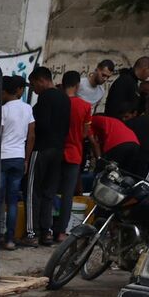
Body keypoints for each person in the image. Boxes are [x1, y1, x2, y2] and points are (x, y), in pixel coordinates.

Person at [29, 67, 72, 246]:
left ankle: (32, 233)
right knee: (49, 192)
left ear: (41, 80)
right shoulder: (65, 98)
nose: (33, 90)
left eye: (33, 85)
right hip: (58, 150)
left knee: (34, 191)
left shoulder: (45, 97)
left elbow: (41, 125)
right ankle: (46, 232)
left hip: (42, 148)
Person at [0, 76, 32, 251]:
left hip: (3, 157)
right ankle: (10, 239)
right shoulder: (27, 108)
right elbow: (31, 135)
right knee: (12, 201)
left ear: (5, 91)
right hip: (18, 158)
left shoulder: (3, 110)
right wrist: (26, 158)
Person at [61, 71, 94, 200]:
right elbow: (85, 133)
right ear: (78, 85)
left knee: (50, 192)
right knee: (68, 195)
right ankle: (64, 221)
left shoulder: (57, 102)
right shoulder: (85, 106)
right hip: (74, 153)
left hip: (56, 152)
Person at [90, 111, 145, 177]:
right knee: (123, 173)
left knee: (103, 171)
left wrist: (99, 159)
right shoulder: (112, 122)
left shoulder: (92, 119)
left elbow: (94, 142)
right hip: (135, 144)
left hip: (118, 143)